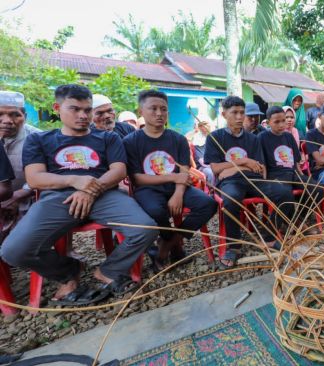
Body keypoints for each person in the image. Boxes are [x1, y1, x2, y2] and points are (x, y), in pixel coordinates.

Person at [0, 84, 157, 305]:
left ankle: (109, 270)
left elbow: (118, 170)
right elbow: (35, 178)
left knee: (146, 228)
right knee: (13, 251)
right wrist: (74, 180)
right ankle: (68, 272)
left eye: (87, 110)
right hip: (57, 198)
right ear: (57, 108)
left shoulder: (107, 138)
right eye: (75, 109)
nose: (83, 116)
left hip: (105, 194)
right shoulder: (40, 140)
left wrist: (90, 191)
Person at [123, 90, 217, 272]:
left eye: (163, 109)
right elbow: (137, 179)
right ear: (141, 111)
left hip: (178, 187)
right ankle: (174, 245)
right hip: (148, 188)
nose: (159, 113)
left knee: (208, 204)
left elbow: (184, 172)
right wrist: (173, 177)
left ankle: (169, 242)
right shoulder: (131, 141)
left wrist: (178, 193)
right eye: (153, 109)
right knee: (155, 210)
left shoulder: (178, 139)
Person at [205, 96, 294, 268]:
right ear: (224, 114)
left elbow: (258, 168)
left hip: (253, 180)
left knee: (285, 193)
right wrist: (243, 162)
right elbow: (216, 170)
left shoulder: (253, 139)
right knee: (231, 199)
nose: (239, 117)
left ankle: (268, 236)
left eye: (241, 112)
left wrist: (231, 168)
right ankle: (234, 246)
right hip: (230, 183)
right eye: (234, 113)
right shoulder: (215, 137)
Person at [258, 106, 323, 234]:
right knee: (285, 194)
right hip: (274, 175)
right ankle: (286, 225)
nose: (281, 124)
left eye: (283, 120)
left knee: (317, 189)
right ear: (268, 122)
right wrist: (264, 181)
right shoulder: (262, 137)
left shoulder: (288, 137)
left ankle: (298, 219)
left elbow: (296, 161)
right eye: (277, 122)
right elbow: (262, 163)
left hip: (292, 173)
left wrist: (301, 176)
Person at [0, 91, 40, 236]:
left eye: (14, 114)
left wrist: (17, 196)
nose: (7, 120)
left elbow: (45, 175)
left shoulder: (38, 138)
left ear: (25, 116)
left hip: (29, 200)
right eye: (0, 114)